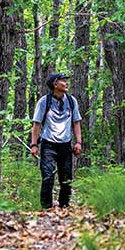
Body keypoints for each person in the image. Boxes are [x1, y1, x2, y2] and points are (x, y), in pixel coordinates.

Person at [30, 73, 82, 209]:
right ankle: (46, 207)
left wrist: (78, 142)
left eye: (66, 81)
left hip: (66, 145)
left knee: (66, 178)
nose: (66, 83)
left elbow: (76, 122)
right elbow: (37, 124)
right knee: (47, 176)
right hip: (48, 145)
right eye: (63, 81)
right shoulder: (44, 101)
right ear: (55, 84)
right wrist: (34, 144)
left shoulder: (72, 101)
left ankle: (64, 206)